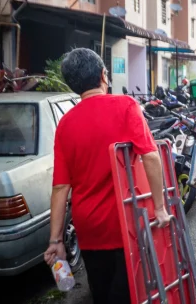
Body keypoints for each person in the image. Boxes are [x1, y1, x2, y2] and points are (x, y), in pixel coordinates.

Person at [44, 49, 170, 304]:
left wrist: (55, 240)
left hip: (89, 227)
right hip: (126, 222)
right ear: (103, 75)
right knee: (131, 291)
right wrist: (160, 207)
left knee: (101, 292)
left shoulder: (65, 124)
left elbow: (60, 188)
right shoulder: (125, 105)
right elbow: (151, 156)